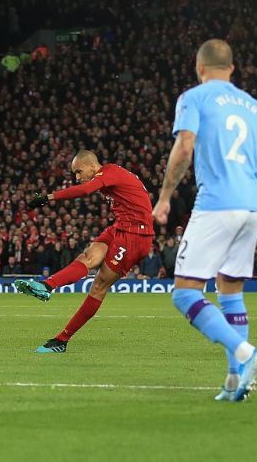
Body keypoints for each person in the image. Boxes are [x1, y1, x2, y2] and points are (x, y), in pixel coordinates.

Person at [153, 39, 257, 402]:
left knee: (184, 293)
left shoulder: (195, 97)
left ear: (199, 67)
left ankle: (246, 354)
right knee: (230, 290)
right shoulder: (254, 106)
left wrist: (164, 197)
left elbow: (185, 145)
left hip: (218, 203)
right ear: (232, 69)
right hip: (253, 205)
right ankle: (233, 380)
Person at [13, 149, 154, 353]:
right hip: (121, 227)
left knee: (98, 286)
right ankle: (46, 285)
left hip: (136, 235)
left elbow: (86, 190)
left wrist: (49, 197)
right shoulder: (113, 175)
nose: (78, 177)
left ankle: (62, 340)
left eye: (79, 172)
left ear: (92, 166)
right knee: (87, 257)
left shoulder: (109, 172)